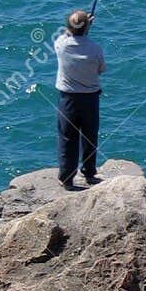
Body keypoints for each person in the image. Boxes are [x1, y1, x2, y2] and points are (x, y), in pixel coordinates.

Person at [54, 9, 105, 188]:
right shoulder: (95, 48)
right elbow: (101, 69)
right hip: (90, 99)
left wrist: (82, 27)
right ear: (87, 27)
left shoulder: (61, 44)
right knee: (90, 137)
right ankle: (89, 173)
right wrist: (85, 29)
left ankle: (67, 178)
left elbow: (69, 33)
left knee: (68, 138)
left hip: (68, 100)